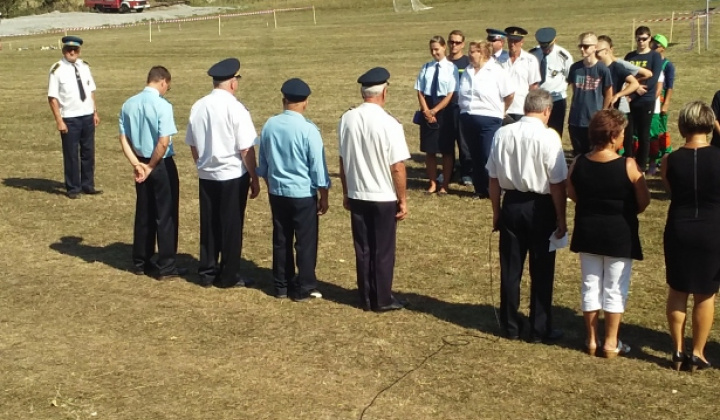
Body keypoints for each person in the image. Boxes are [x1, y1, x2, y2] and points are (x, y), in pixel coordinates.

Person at [567, 109, 650, 358]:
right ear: (613, 136)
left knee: (590, 285)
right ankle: (611, 342)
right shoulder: (628, 165)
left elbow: (572, 192)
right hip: (619, 233)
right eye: (622, 133)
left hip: (588, 230)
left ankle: (591, 339)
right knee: (615, 288)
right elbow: (643, 200)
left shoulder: (579, 162)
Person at [486, 89, 568, 342]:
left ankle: (510, 325)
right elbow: (557, 182)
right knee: (542, 269)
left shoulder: (502, 133)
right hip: (540, 206)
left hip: (511, 203)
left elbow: (493, 178)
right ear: (547, 111)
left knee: (510, 269)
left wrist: (497, 212)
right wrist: (561, 218)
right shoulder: (548, 136)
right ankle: (539, 328)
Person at [338, 67, 410, 312]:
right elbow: (397, 167)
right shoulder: (390, 124)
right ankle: (382, 297)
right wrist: (403, 199)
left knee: (363, 247)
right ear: (384, 92)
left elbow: (342, 159)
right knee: (383, 249)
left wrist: (346, 191)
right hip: (382, 195)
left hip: (358, 191)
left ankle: (366, 295)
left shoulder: (347, 119)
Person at [185, 58, 260, 288]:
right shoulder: (235, 108)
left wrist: (201, 165)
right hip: (231, 175)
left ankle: (207, 271)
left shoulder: (199, 105)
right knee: (231, 226)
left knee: (209, 224)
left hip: (207, 174)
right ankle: (228, 275)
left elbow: (192, 143)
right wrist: (254, 178)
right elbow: (246, 148)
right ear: (232, 83)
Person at [257, 78, 330, 301]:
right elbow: (318, 168)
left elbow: (264, 162)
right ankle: (305, 286)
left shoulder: (270, 124)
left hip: (278, 191)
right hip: (302, 193)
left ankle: (281, 284)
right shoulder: (308, 130)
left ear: (283, 100)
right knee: (305, 242)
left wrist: (271, 186)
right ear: (305, 102)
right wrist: (324, 195)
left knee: (281, 238)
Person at [661, 101, 720, 372]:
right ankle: (697, 351)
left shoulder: (669, 160)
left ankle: (677, 350)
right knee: (705, 294)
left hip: (679, 227)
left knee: (677, 290)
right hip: (712, 229)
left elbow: (670, 188)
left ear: (683, 125)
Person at [119, 66, 186, 279]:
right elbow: (163, 141)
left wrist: (137, 164)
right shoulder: (162, 105)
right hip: (160, 164)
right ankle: (167, 266)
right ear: (163, 82)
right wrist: (150, 166)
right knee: (165, 215)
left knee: (144, 213)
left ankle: (141, 261)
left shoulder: (128, 104)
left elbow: (124, 139)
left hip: (140, 161)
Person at [457, 40, 514, 199]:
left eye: (474, 51)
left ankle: (494, 189)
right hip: (468, 117)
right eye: (470, 51)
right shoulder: (468, 70)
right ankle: (480, 188)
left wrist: (502, 111)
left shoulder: (496, 71)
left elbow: (509, 94)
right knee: (474, 155)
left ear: (483, 54)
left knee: (487, 155)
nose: (470, 54)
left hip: (489, 119)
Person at [47, 35, 101, 199]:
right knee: (71, 154)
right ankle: (73, 188)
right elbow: (52, 98)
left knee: (88, 152)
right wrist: (59, 120)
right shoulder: (57, 70)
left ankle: (88, 184)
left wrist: (95, 111)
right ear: (63, 50)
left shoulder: (84, 66)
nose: (72, 52)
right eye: (69, 49)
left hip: (87, 115)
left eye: (75, 49)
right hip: (70, 118)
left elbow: (90, 90)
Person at [414, 35, 459, 194]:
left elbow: (450, 93)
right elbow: (419, 90)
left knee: (446, 150)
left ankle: (444, 185)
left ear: (444, 48)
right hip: (427, 107)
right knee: (430, 149)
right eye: (431, 50)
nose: (434, 53)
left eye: (437, 49)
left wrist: (435, 111)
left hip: (444, 111)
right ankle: (432, 183)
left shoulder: (451, 68)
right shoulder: (426, 67)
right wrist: (426, 110)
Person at [595, 35, 651, 156]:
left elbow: (635, 83)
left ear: (606, 51)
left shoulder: (618, 67)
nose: (595, 54)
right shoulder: (597, 68)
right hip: (601, 109)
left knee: (625, 141)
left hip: (619, 111)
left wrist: (619, 95)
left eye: (597, 51)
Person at [624, 26, 664, 173]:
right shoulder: (630, 56)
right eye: (638, 39)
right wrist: (629, 91)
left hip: (645, 100)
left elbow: (652, 80)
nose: (641, 42)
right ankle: (628, 160)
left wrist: (633, 93)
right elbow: (625, 76)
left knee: (643, 134)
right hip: (629, 101)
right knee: (628, 133)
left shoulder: (654, 57)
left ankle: (641, 166)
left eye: (644, 39)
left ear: (649, 38)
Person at [567, 32, 612, 156]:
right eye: (580, 46)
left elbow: (608, 92)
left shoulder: (603, 69)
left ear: (595, 47)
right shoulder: (575, 68)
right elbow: (574, 89)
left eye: (586, 46)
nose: (582, 49)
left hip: (593, 119)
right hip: (576, 119)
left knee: (593, 153)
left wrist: (603, 111)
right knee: (578, 153)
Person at [529, 27, 573, 137]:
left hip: (556, 99)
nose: (545, 50)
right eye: (543, 47)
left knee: (555, 132)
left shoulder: (563, 56)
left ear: (555, 41)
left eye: (548, 47)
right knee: (536, 131)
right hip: (538, 99)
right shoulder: (533, 55)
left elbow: (569, 77)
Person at [447, 29, 473, 186]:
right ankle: (448, 172)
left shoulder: (468, 62)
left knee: (464, 143)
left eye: (457, 42)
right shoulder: (444, 62)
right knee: (447, 142)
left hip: (462, 108)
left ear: (463, 44)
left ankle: (467, 172)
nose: (454, 45)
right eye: (451, 42)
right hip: (446, 108)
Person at [648, 34, 675, 174]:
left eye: (655, 45)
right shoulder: (649, 61)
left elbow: (669, 86)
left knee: (660, 130)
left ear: (662, 49)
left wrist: (666, 104)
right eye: (651, 43)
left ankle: (663, 156)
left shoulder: (667, 65)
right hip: (649, 99)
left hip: (661, 100)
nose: (652, 46)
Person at [502, 26, 541, 122]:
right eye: (510, 41)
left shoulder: (530, 60)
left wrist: (531, 107)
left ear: (522, 42)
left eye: (516, 41)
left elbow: (533, 86)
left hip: (521, 108)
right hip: (502, 109)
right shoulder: (499, 60)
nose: (512, 44)